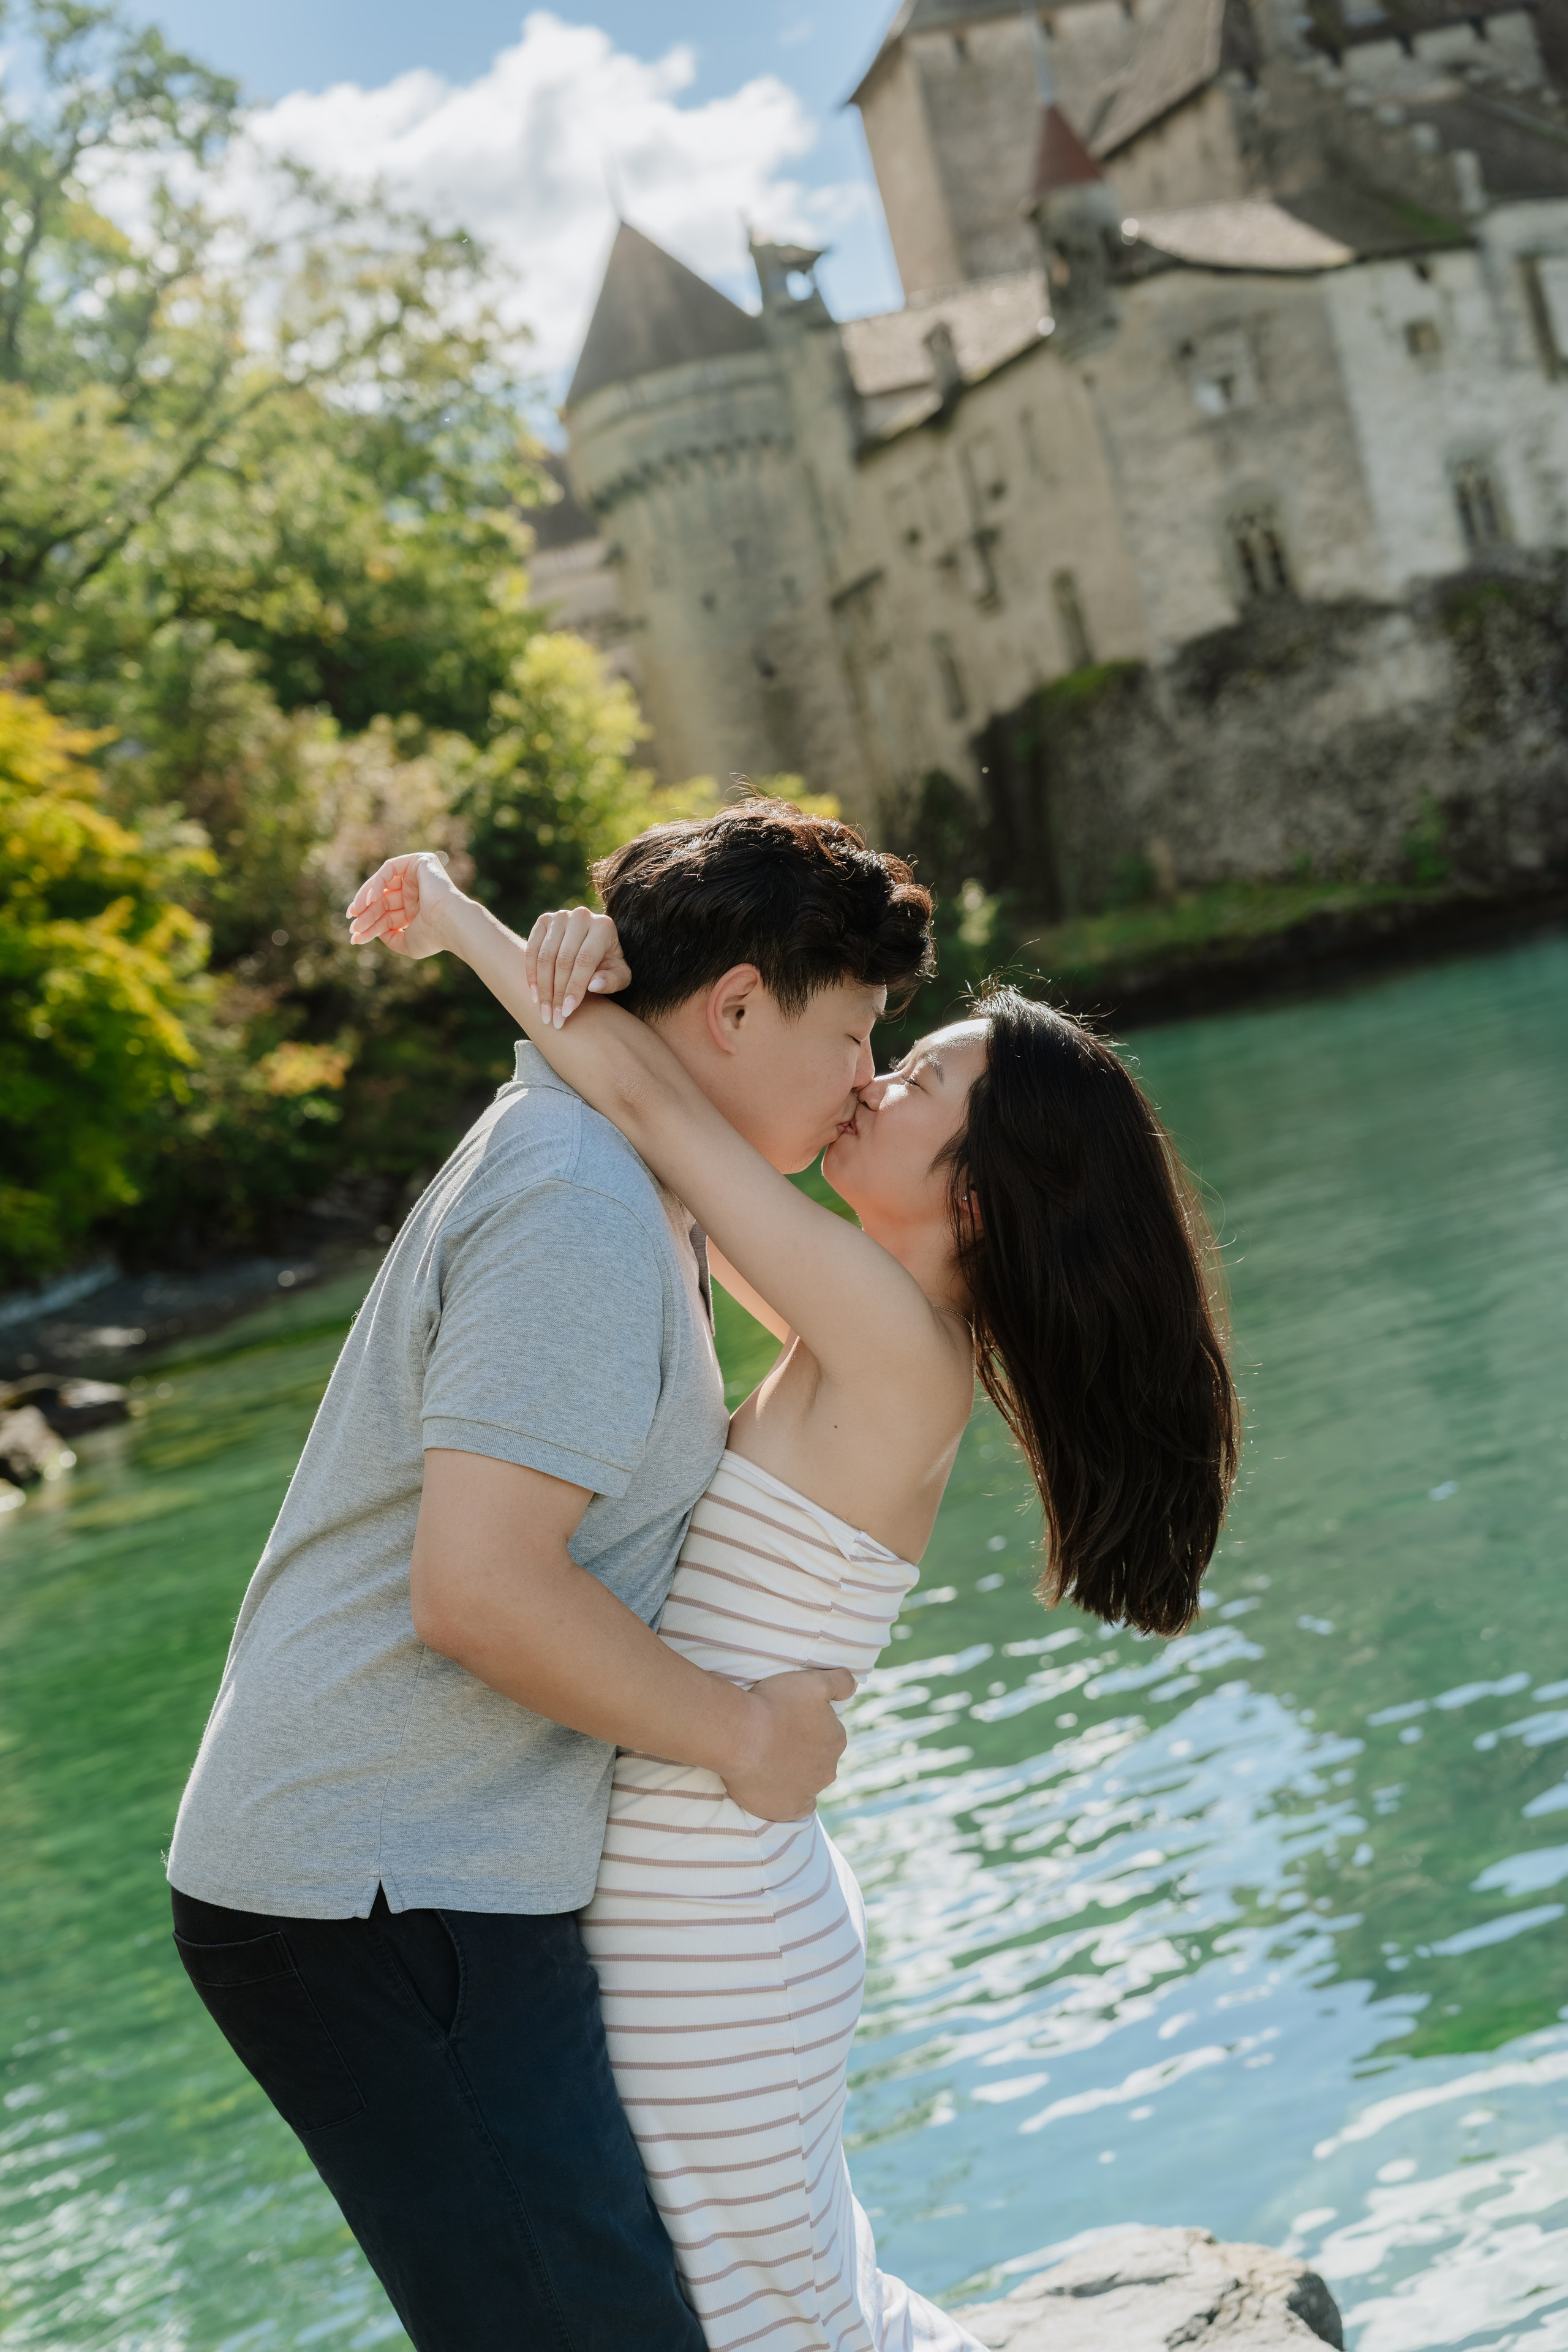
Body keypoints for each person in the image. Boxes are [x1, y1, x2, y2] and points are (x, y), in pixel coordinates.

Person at [345, 844, 1240, 2352]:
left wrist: (460, 923)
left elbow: (647, 1109)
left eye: (920, 1081)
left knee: (764, 2321)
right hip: (709, 1893)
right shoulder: (872, 1327)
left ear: (984, 1184)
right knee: (773, 2306)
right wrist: (559, 953)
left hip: (705, 1917)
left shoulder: (893, 1347)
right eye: (879, 1051)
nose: (872, 1081)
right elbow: (671, 1119)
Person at [164, 800, 936, 2352]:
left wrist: (471, 923)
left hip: (413, 1864)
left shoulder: (622, 1171)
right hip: (375, 1884)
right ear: (732, 1005)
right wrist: (747, 1736)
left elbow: (635, 1076)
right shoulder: (580, 1207)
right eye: (851, 1030)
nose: (863, 1077)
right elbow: (482, 1593)